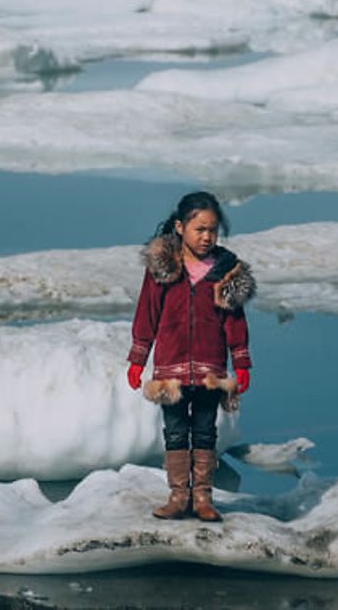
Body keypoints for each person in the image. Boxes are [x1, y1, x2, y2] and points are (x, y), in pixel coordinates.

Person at [127, 191, 254, 522]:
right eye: (200, 229)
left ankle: (203, 497)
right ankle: (178, 495)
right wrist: (138, 358)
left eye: (212, 230)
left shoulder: (226, 270)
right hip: (171, 367)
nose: (207, 237)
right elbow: (147, 314)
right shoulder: (163, 267)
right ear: (181, 227)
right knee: (175, 430)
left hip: (211, 368)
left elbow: (235, 321)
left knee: (205, 430)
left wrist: (241, 362)